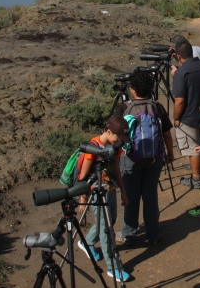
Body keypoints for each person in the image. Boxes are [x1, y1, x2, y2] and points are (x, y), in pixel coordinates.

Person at [116, 69, 175, 247]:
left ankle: (129, 233)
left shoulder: (125, 108)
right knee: (150, 196)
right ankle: (153, 233)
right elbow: (166, 135)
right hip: (154, 159)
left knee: (131, 197)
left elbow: (116, 135)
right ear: (150, 88)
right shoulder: (157, 107)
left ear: (132, 89)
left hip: (131, 159)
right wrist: (170, 154)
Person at [77, 116, 132, 283]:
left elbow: (116, 170)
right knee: (106, 229)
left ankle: (86, 242)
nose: (120, 142)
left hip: (110, 188)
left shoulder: (116, 147)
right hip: (95, 191)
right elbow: (84, 175)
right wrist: (83, 196)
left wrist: (123, 191)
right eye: (118, 137)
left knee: (111, 220)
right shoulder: (92, 147)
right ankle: (113, 267)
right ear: (108, 131)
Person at [171, 41, 200, 188]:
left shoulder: (181, 73)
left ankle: (196, 179)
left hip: (188, 117)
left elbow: (179, 101)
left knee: (193, 149)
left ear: (178, 56)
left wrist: (176, 118)